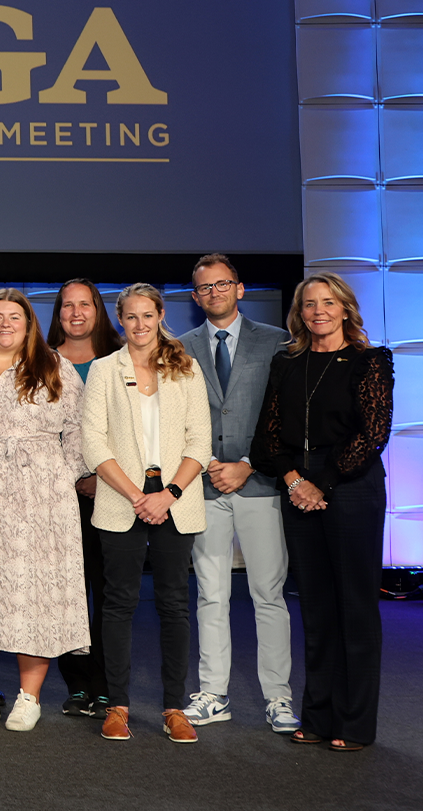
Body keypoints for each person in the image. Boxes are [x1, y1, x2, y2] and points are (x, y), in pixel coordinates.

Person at [252, 272, 392, 751]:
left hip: (351, 486)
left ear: (345, 308)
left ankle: (353, 724)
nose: (318, 311)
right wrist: (295, 481)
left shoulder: (369, 361)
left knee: (354, 607)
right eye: (309, 303)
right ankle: (317, 716)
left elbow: (373, 433)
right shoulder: (287, 363)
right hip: (298, 488)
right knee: (315, 606)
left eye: (328, 302)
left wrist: (322, 483)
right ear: (299, 312)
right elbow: (268, 438)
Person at [81, 283, 211, 744]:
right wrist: (138, 495)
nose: (139, 325)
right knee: (117, 604)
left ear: (160, 316)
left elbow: (201, 443)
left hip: (176, 499)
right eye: (130, 317)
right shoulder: (102, 371)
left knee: (175, 604)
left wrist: (168, 493)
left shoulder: (187, 368)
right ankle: (117, 706)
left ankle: (175, 707)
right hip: (122, 499)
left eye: (147, 315)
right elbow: (93, 443)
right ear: (120, 321)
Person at [177, 255, 297, 733]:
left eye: (222, 284)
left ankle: (278, 698)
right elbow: (179, 422)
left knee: (268, 594)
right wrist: (209, 465)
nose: (214, 293)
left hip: (261, 483)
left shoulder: (278, 343)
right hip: (203, 487)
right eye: (204, 287)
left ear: (240, 289)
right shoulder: (179, 348)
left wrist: (247, 465)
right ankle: (213, 693)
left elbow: (285, 417)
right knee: (211, 595)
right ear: (193, 296)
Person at [0, 289, 89, 733]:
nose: (5, 324)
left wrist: (58, 477)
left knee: (36, 595)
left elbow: (78, 433)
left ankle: (29, 696)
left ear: (29, 323)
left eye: (15, 317)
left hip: (43, 502)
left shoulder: (56, 367)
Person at [46, 279, 121, 719]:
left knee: (109, 593)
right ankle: (76, 683)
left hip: (112, 493)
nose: (76, 313)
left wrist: (99, 476)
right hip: (55, 498)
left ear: (98, 310)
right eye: (67, 306)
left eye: (85, 305)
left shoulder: (120, 357)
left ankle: (107, 684)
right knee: (66, 592)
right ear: (57, 313)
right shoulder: (42, 361)